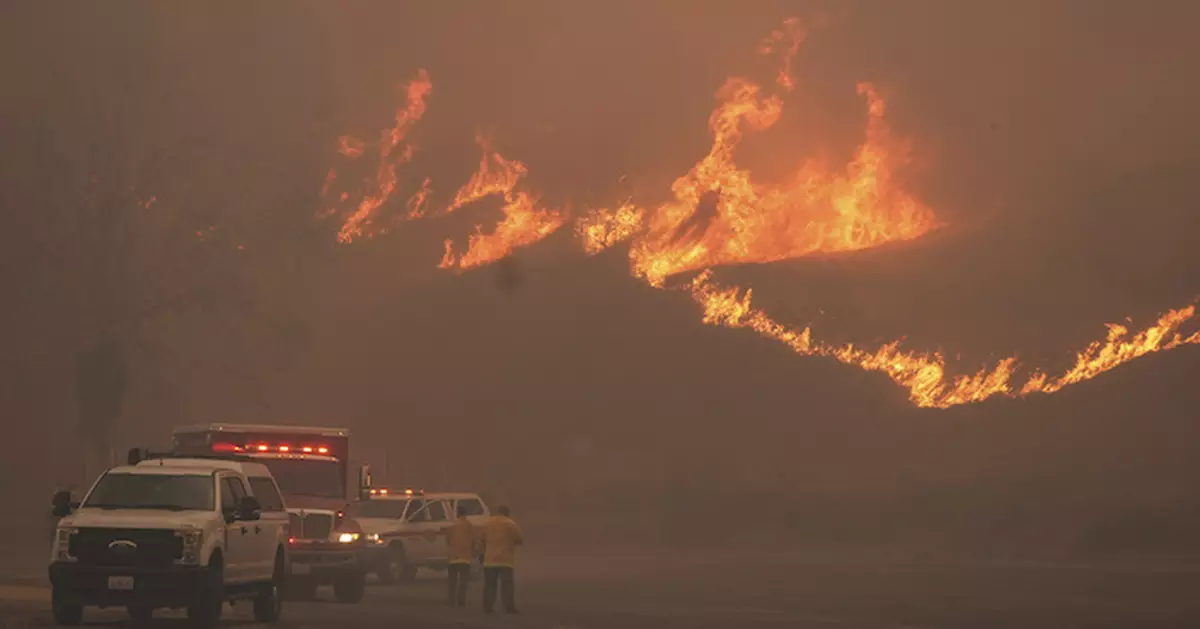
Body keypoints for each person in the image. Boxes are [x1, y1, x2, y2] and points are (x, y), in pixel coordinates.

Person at [480, 505, 523, 614]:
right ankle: (509, 607)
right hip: (505, 560)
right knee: (507, 586)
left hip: (489, 559)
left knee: (490, 585)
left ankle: (488, 607)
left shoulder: (487, 523)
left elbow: (481, 540)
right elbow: (519, 539)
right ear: (507, 513)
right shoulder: (510, 524)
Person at [442, 505, 478, 607]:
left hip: (453, 557)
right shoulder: (469, 526)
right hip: (465, 557)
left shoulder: (453, 525)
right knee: (463, 581)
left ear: (457, 514)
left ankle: (451, 600)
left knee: (452, 581)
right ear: (465, 514)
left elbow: (448, 539)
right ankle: (461, 601)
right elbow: (474, 541)